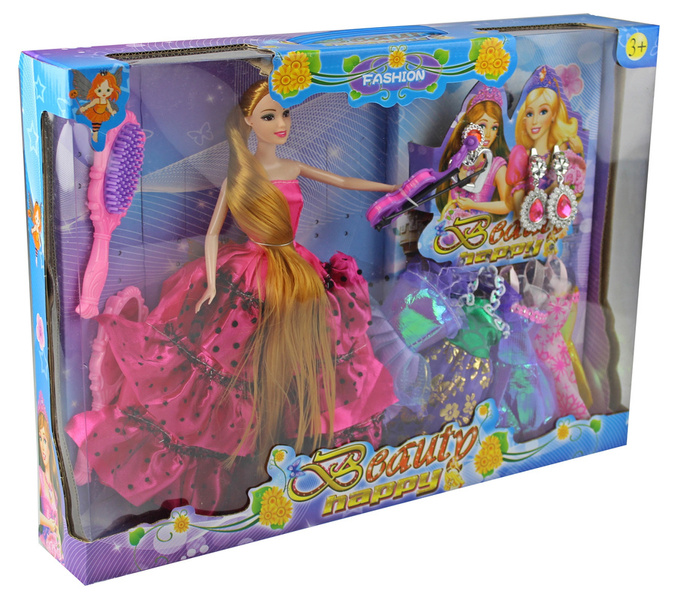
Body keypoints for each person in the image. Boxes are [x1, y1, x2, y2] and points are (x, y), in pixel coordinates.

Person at [66, 79, 399, 515]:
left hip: (296, 272)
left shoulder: (292, 167)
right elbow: (211, 234)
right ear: (248, 122)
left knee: (308, 360)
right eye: (269, 116)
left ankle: (298, 453)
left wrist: (392, 189)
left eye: (284, 114)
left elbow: (341, 179)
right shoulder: (239, 177)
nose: (280, 123)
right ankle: (242, 460)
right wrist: (209, 282)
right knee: (231, 370)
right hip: (250, 275)